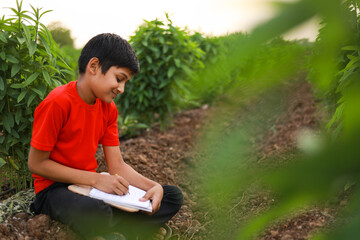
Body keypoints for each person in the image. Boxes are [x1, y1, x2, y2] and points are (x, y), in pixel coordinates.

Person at [28, 33, 183, 240]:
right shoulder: (58, 103)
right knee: (96, 212)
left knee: (172, 196)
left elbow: (117, 166)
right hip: (54, 190)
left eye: (125, 82)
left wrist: (153, 187)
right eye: (119, 79)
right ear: (93, 67)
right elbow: (37, 164)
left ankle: (118, 231)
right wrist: (95, 179)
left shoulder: (108, 110)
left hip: (90, 188)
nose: (122, 89)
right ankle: (132, 229)